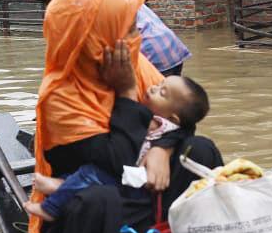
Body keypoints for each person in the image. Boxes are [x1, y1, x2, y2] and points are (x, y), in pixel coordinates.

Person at [22, 0, 221, 233]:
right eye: (126, 28)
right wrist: (127, 94)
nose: (135, 37)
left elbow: (183, 119)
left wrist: (162, 147)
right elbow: (115, 161)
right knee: (100, 197)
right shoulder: (63, 97)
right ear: (95, 35)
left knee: (202, 150)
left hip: (139, 192)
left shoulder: (136, 65)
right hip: (92, 212)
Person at [26, 73, 210, 222]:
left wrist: (162, 147)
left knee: (93, 175)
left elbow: (185, 125)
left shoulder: (156, 118)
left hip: (134, 181)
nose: (153, 86)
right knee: (86, 174)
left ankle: (52, 206)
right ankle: (62, 186)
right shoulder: (155, 106)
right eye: (160, 84)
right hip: (127, 171)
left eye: (162, 92)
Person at [25, 0, 191, 75]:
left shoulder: (73, 1)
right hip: (167, 46)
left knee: (146, 120)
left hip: (150, 54)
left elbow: (81, 55)